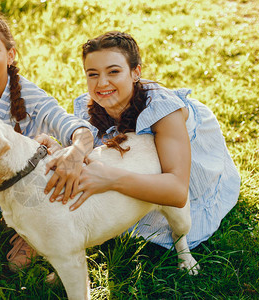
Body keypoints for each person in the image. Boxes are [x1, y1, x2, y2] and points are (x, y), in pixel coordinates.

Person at [52, 31, 241, 250]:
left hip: (185, 163)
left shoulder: (162, 111)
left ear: (135, 72)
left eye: (113, 71)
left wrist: (111, 178)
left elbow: (178, 192)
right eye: (92, 74)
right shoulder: (89, 110)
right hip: (142, 167)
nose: (102, 83)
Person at [0, 9, 94, 270]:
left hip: (29, 177)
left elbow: (75, 128)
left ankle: (33, 233)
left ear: (10, 54)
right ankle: (25, 226)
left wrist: (76, 152)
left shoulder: (30, 96)